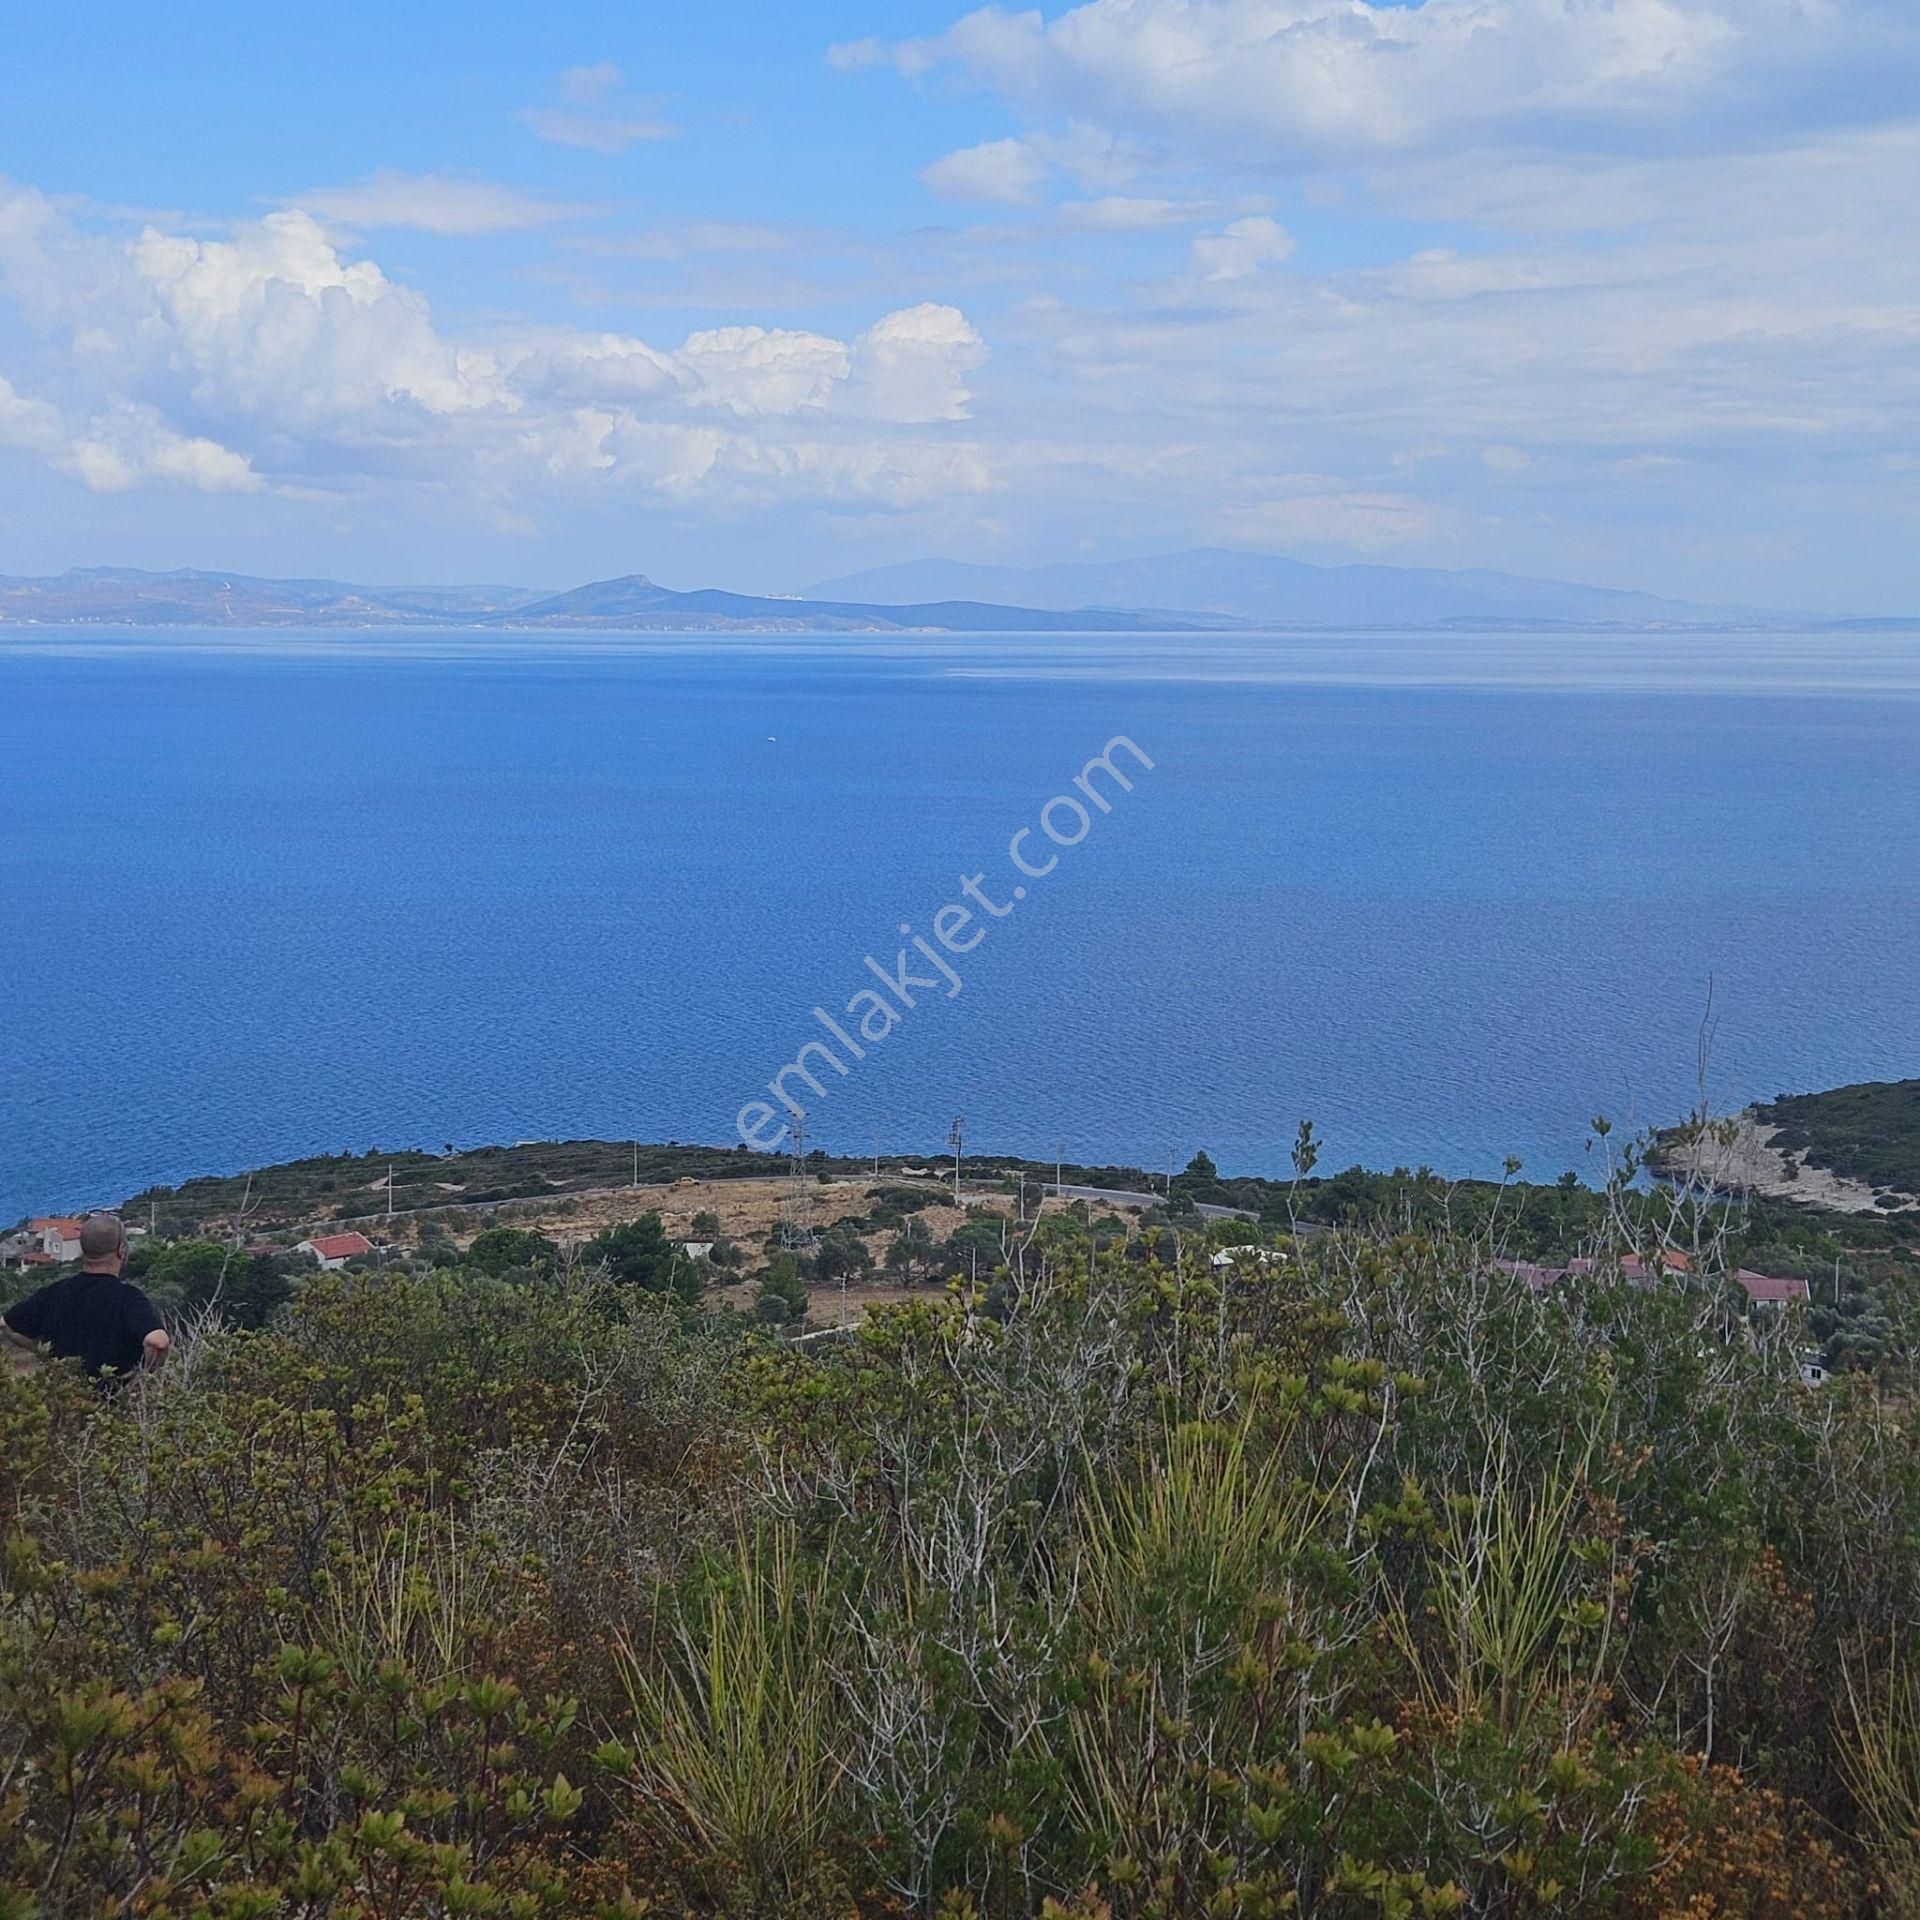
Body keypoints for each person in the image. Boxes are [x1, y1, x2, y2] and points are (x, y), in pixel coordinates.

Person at [2, 1213, 169, 1384]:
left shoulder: (53, 1292)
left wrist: (44, 1352)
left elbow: (6, 1325)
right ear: (121, 1250)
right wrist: (144, 1376)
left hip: (64, 1398)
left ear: (83, 1251)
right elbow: (158, 1342)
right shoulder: (129, 1298)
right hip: (118, 1403)